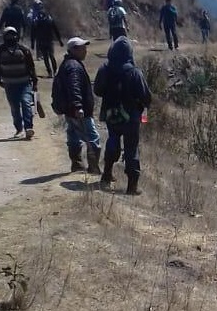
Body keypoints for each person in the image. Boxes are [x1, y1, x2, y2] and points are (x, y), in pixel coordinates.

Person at [94, 36, 152, 195]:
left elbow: (97, 91)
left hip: (111, 115)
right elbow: (146, 97)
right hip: (131, 117)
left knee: (112, 140)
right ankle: (131, 187)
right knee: (131, 148)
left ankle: (106, 174)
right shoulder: (134, 72)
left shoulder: (104, 69)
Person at [52, 37, 101, 174]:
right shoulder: (73, 66)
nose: (85, 51)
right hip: (77, 109)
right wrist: (78, 106)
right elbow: (74, 87)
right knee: (93, 137)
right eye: (82, 48)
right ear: (73, 50)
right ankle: (93, 167)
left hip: (69, 109)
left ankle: (77, 164)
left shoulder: (68, 63)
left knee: (73, 135)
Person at [0, 27, 38, 139]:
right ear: (4, 37)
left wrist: (35, 81)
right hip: (9, 84)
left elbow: (31, 67)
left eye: (13, 35)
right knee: (14, 107)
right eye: (8, 35)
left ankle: (28, 128)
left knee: (26, 103)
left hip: (24, 83)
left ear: (17, 36)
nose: (11, 37)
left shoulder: (24, 50)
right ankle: (19, 129)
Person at [30, 7, 64, 78]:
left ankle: (50, 72)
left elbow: (33, 34)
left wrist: (33, 43)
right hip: (48, 41)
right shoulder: (49, 20)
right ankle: (54, 71)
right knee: (50, 56)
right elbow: (56, 31)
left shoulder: (37, 22)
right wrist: (60, 40)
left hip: (42, 42)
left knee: (46, 57)